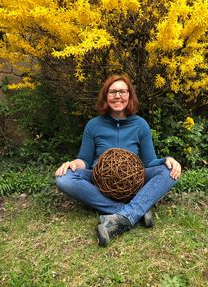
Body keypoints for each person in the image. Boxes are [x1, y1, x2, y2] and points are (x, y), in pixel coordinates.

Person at [55, 74, 181, 247]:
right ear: (106, 96)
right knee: (65, 178)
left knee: (169, 172)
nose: (117, 96)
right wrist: (73, 164)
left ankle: (125, 214)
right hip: (99, 179)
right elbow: (84, 159)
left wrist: (168, 159)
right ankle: (134, 211)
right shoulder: (94, 125)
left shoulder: (140, 124)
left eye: (122, 91)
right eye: (112, 91)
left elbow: (150, 161)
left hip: (134, 180)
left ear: (129, 95)